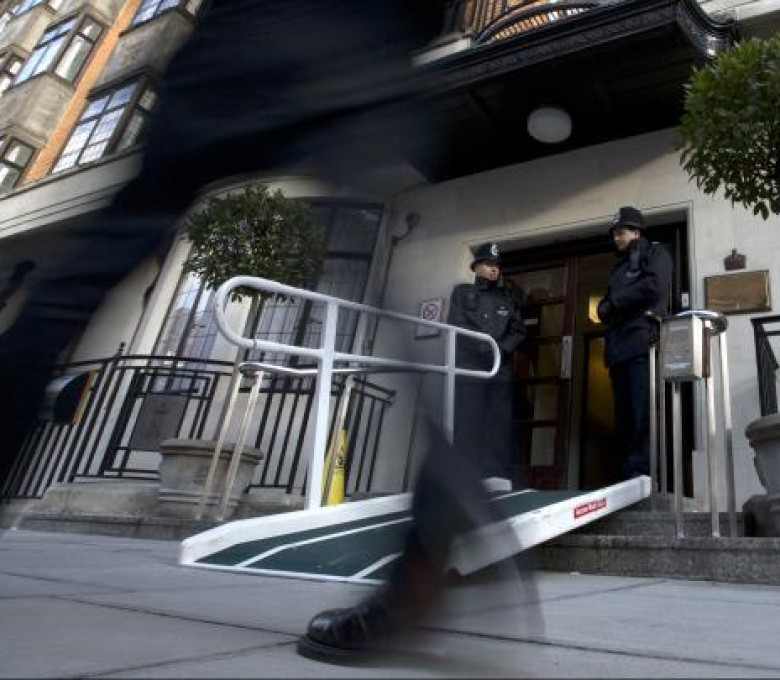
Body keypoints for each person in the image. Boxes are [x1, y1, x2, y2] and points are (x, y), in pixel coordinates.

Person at [0, 0, 529, 663]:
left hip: (254, 36)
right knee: (384, 284)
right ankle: (436, 514)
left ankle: (437, 513)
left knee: (92, 265)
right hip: (369, 42)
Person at [596, 206, 673, 481]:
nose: (616, 238)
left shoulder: (656, 253)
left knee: (644, 413)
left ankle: (644, 472)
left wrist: (616, 302)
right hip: (618, 348)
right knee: (624, 416)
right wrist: (610, 305)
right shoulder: (618, 269)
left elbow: (653, 286)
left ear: (636, 231)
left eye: (621, 232)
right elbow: (603, 307)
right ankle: (629, 474)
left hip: (642, 343)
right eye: (614, 233)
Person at [446, 242, 527, 486]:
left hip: (499, 368)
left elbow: (518, 330)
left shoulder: (508, 298)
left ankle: (498, 477)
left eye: (497, 266)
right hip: (469, 366)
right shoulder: (461, 293)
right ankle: (466, 478)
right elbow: (457, 324)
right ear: (477, 266)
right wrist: (483, 347)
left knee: (498, 423)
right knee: (468, 421)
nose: (494, 270)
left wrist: (499, 350)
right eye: (489, 264)